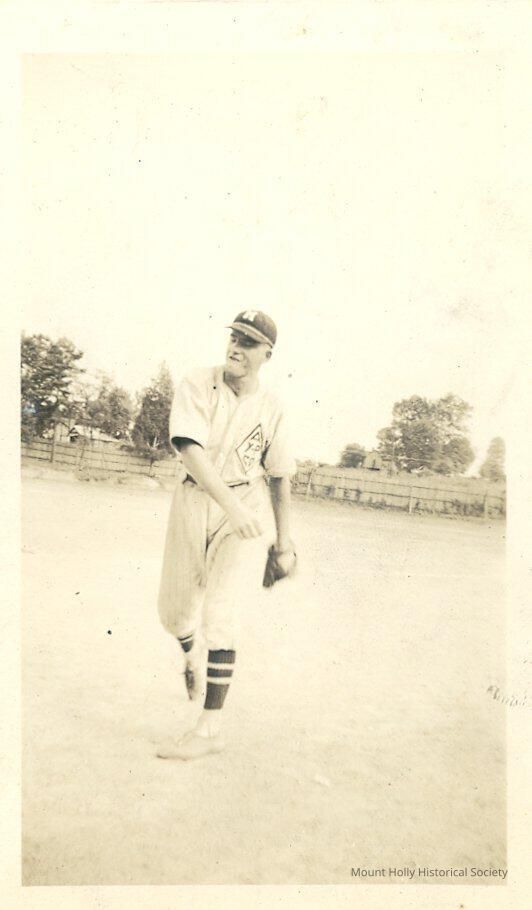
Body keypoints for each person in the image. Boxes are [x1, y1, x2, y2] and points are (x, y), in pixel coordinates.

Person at [156, 310, 296, 760]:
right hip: (195, 498)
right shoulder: (199, 382)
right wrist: (231, 508)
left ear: (267, 354)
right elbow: (189, 449)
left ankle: (210, 728)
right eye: (234, 337)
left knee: (221, 612)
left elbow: (279, 475)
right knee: (174, 613)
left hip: (245, 504)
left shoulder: (273, 407)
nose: (236, 347)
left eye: (249, 342)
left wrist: (284, 543)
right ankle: (189, 650)